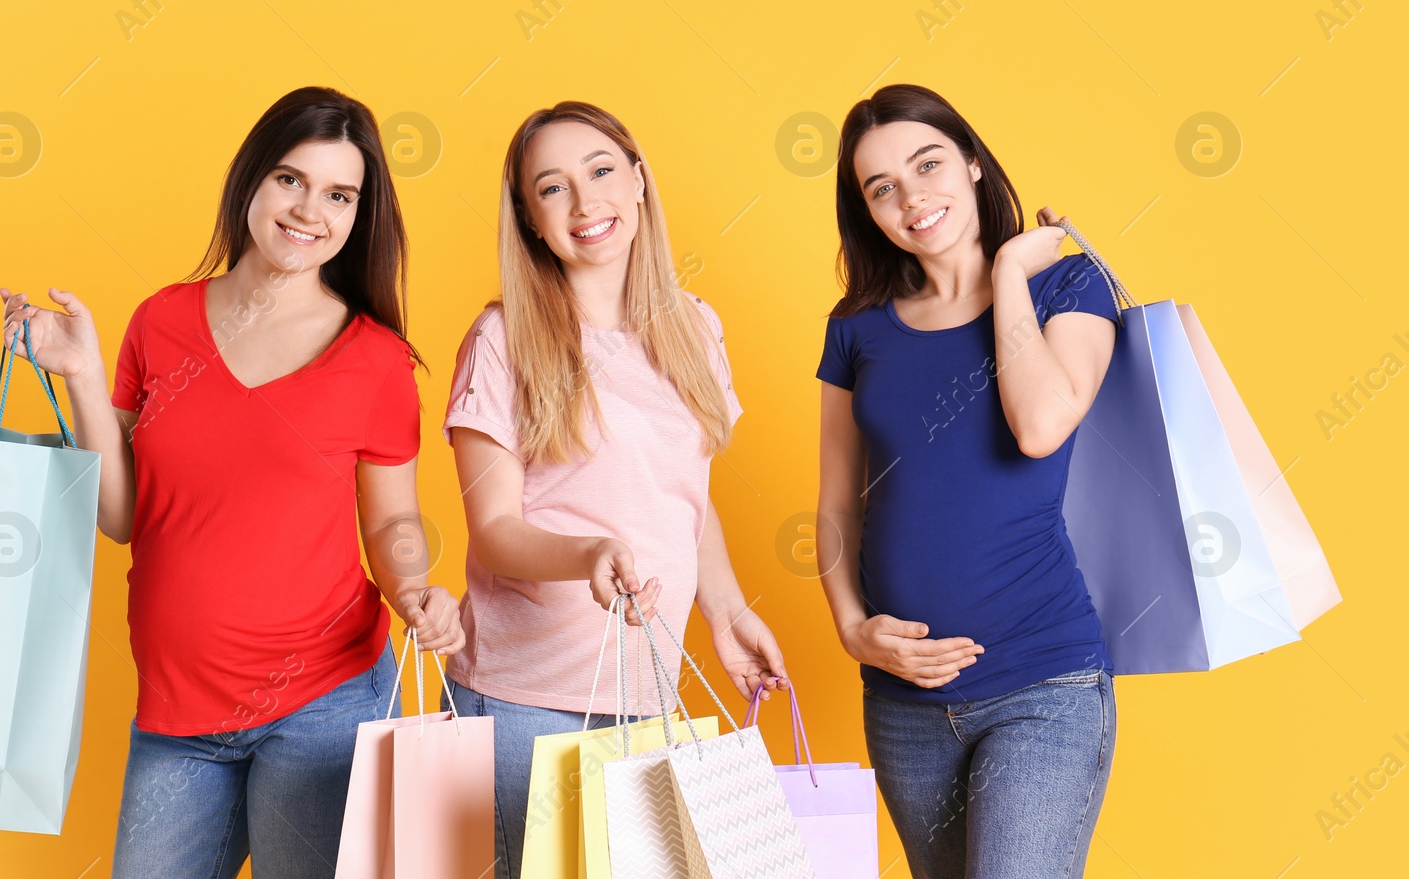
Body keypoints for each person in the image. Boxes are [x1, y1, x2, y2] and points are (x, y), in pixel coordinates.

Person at [0, 86, 462, 879]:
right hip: (177, 716)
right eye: (291, 179)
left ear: (358, 214)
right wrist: (78, 372)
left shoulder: (376, 359)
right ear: (251, 179)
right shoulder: (161, 321)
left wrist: (414, 587)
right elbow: (121, 515)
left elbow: (392, 525)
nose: (309, 209)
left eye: (339, 194)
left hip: (324, 703)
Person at [441, 101, 787, 879]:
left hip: (648, 693)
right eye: (553, 188)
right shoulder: (502, 339)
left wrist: (726, 613)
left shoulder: (695, 328)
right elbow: (493, 527)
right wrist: (589, 551)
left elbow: (682, 495)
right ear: (529, 219)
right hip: (523, 701)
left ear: (638, 182)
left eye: (600, 172)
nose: (586, 201)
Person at [815, 84, 1121, 878]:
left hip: (1042, 683)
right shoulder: (857, 325)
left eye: (929, 164)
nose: (913, 198)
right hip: (904, 707)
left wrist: (1011, 270)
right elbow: (837, 501)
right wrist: (852, 629)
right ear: (867, 210)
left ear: (974, 163)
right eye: (883, 188)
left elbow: (1042, 423)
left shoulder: (1068, 287)